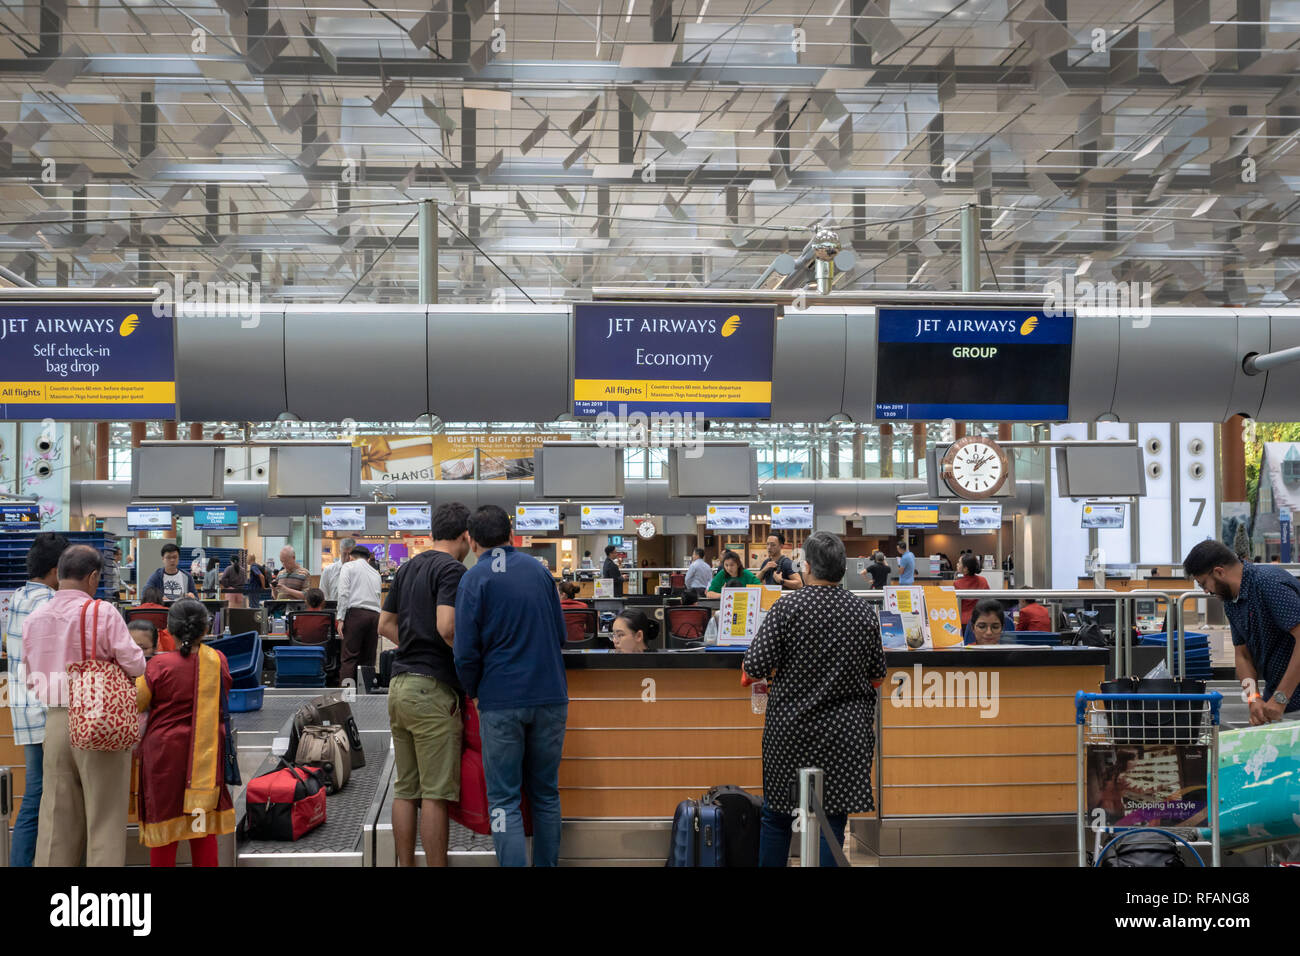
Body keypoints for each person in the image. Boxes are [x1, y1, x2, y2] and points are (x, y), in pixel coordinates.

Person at [742, 532, 886, 867]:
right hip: (845, 734)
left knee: (776, 817)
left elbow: (754, 668)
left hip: (790, 730)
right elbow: (877, 676)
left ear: (806, 566)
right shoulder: (863, 611)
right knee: (831, 820)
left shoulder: (787, 607)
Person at [455, 504, 568, 868]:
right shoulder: (539, 572)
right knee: (546, 795)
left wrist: (473, 690)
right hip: (550, 696)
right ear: (511, 535)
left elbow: (465, 652)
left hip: (500, 700)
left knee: (504, 801)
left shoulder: (474, 579)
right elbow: (562, 635)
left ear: (472, 541)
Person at [23, 545, 147, 866]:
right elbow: (135, 664)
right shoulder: (101, 612)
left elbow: (30, 676)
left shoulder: (35, 618)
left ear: (60, 574)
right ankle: (98, 908)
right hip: (98, 717)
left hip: (54, 721)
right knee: (103, 819)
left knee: (56, 820)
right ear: (93, 577)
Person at [379, 502, 472, 867]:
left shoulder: (408, 567)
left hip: (399, 685)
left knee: (406, 789)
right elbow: (447, 627)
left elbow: (384, 625)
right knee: (435, 794)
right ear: (465, 535)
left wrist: (414, 644)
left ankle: (405, 863)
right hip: (433, 690)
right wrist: (466, 664)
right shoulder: (452, 569)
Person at [135, 598, 236, 867]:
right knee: (202, 831)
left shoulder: (157, 666)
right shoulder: (217, 661)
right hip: (205, 753)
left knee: (164, 833)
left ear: (169, 630)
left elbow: (137, 702)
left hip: (163, 757)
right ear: (205, 629)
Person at [4, 532, 68, 867]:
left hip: (24, 710)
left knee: (36, 794)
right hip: (48, 713)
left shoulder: (17, 597)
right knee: (46, 797)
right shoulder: (49, 605)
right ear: (58, 571)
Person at [1184, 540, 1300, 723]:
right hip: (1281, 700)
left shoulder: (1268, 584)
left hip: (1285, 699)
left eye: (1203, 584)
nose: (1206, 591)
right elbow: (1242, 654)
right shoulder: (1231, 600)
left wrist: (1280, 698)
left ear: (1219, 572)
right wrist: (1253, 699)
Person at [337, 544, 382, 686]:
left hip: (356, 615)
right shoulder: (376, 573)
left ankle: (347, 695)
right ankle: (366, 693)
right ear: (368, 559)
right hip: (374, 616)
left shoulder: (348, 567)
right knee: (368, 659)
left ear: (351, 556)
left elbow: (343, 593)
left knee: (349, 657)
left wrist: (340, 618)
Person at [953, 553, 990, 630]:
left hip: (963, 622)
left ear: (965, 569)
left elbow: (955, 605)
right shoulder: (983, 580)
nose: (957, 564)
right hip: (981, 620)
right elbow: (988, 601)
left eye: (959, 563)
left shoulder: (957, 583)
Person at [136, 587, 177, 651]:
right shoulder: (167, 611)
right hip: (163, 647)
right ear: (160, 599)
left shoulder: (133, 611)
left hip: (139, 644)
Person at [320, 537, 356, 602]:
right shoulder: (328, 570)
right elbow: (323, 594)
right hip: (333, 609)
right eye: (344, 554)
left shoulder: (358, 571)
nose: (347, 557)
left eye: (350, 554)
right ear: (340, 551)